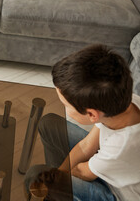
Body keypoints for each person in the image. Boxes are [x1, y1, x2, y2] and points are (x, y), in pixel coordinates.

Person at [26, 44, 140, 200]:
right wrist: (58, 173)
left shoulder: (122, 146)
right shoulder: (122, 103)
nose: (64, 108)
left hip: (116, 193)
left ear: (92, 114)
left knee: (36, 175)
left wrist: (55, 181)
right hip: (104, 167)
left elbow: (81, 171)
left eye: (65, 105)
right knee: (49, 123)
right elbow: (87, 146)